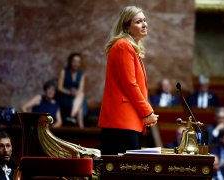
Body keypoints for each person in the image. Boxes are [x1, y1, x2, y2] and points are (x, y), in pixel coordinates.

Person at [98, 6, 159, 155]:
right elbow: (130, 84)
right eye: (138, 22)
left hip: (129, 122)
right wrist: (147, 112)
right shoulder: (122, 46)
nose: (144, 24)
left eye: (145, 20)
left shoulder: (130, 47)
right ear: (126, 27)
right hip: (121, 122)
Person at [57, 52, 86, 128]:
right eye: (74, 61)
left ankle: (72, 117)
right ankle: (81, 128)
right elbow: (59, 88)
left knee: (81, 97)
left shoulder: (81, 74)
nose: (76, 64)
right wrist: (69, 92)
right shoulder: (64, 72)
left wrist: (75, 92)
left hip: (76, 98)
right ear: (70, 62)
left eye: (78, 62)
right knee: (79, 106)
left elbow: (80, 90)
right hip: (65, 97)